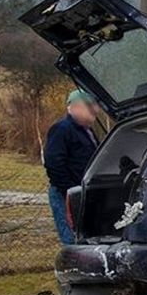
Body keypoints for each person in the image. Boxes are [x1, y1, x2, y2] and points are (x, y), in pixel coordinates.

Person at [44, 89, 99, 244]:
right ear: (74, 107)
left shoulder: (87, 131)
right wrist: (69, 190)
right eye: (89, 106)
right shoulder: (62, 129)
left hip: (83, 194)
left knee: (85, 238)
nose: (95, 110)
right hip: (66, 195)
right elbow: (53, 162)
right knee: (72, 239)